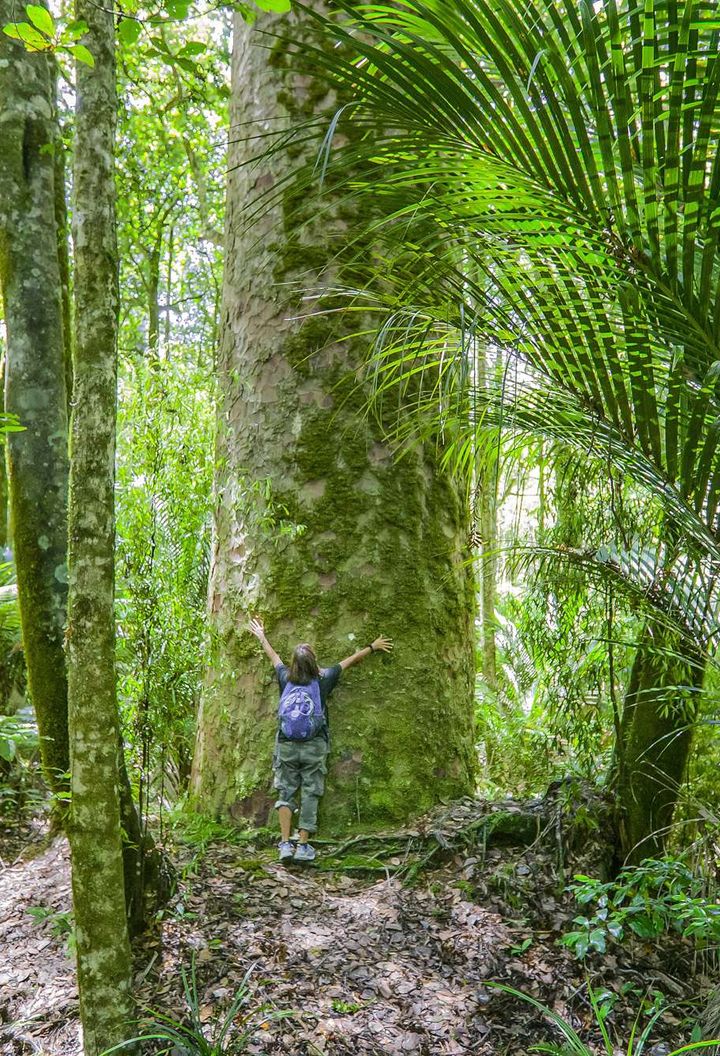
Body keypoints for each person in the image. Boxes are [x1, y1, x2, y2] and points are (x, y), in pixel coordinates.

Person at [249, 617, 393, 863]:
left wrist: (261, 635)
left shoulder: (285, 678)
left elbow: (273, 657)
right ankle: (303, 846)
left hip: (286, 745)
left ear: (294, 664)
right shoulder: (324, 679)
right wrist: (372, 646)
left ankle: (284, 844)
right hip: (315, 745)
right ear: (313, 662)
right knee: (310, 792)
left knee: (286, 791)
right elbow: (349, 661)